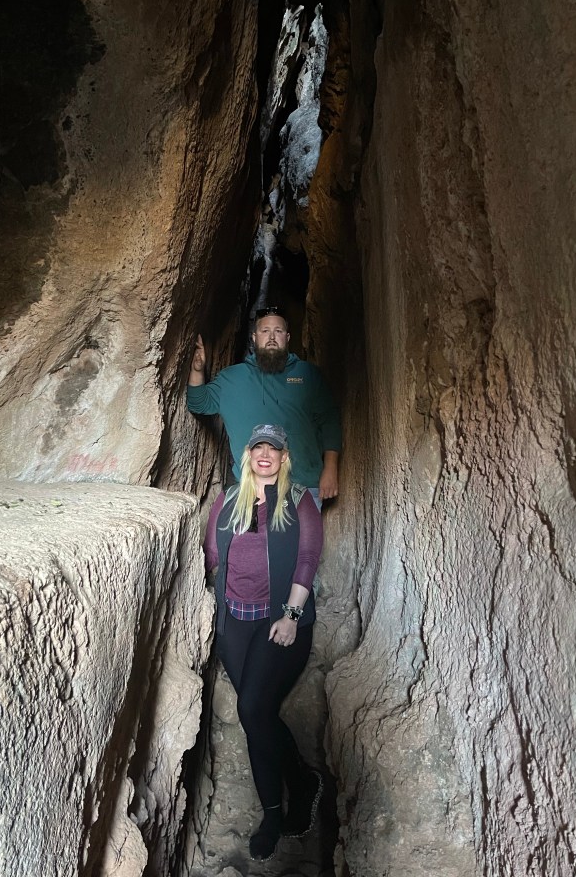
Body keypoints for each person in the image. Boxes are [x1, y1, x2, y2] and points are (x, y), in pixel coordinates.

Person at [204, 422, 324, 861]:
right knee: (257, 716)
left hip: (280, 622)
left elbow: (308, 558)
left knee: (253, 708)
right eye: (258, 447)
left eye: (273, 448)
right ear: (248, 455)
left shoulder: (300, 500)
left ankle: (284, 804)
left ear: (284, 457)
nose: (265, 454)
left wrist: (292, 615)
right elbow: (211, 555)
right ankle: (288, 797)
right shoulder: (227, 500)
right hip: (235, 623)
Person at [187, 307, 341, 506]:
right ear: (254, 337)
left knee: (304, 529)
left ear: (287, 337)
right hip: (251, 490)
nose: (272, 337)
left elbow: (330, 421)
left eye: (278, 331)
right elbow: (198, 403)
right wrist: (197, 370)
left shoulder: (308, 375)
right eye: (265, 331)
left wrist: (330, 469)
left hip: (303, 487)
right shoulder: (231, 379)